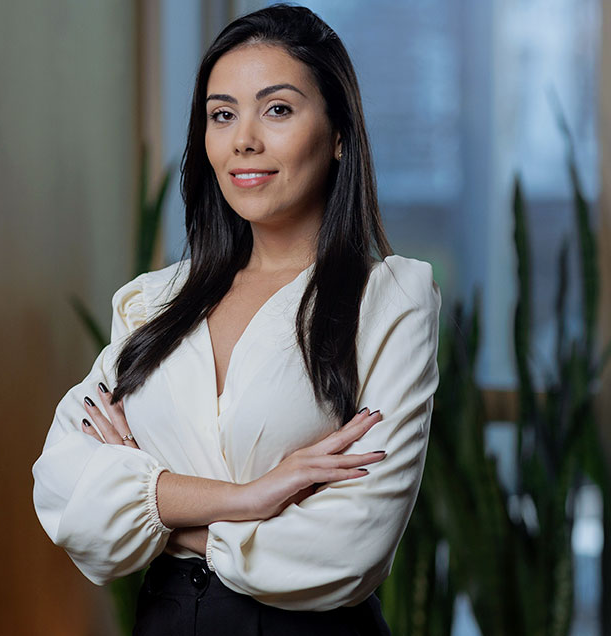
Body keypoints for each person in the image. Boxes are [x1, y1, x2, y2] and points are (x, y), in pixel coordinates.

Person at [32, 3, 441, 634]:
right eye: (222, 114)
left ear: (338, 135)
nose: (243, 138)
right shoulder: (152, 303)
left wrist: (160, 509)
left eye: (277, 109)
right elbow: (64, 491)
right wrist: (252, 498)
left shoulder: (388, 300)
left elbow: (351, 547)